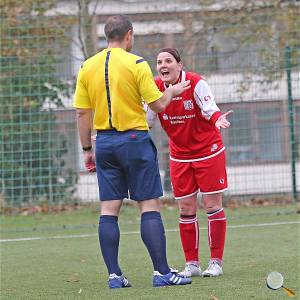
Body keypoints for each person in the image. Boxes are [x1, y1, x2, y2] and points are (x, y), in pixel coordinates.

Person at [73, 16, 192, 288]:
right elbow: (159, 105)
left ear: (106, 36)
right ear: (129, 35)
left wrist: (87, 149)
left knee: (109, 208)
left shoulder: (86, 67)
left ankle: (114, 275)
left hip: (103, 142)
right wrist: (172, 91)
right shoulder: (137, 63)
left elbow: (81, 112)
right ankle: (162, 273)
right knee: (149, 205)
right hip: (135, 140)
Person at [147, 48, 232, 278]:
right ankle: (192, 263)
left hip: (208, 152)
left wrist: (217, 119)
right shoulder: (154, 87)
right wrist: (117, 133)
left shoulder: (196, 83)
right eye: (159, 61)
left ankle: (215, 262)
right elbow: (145, 120)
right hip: (179, 156)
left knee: (212, 205)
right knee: (185, 208)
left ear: (179, 65)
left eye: (168, 61)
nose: (163, 65)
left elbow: (210, 108)